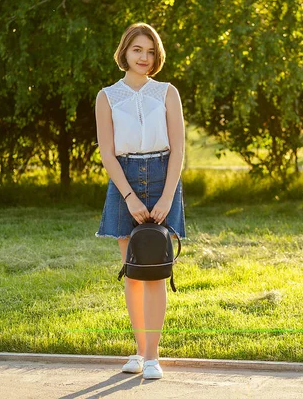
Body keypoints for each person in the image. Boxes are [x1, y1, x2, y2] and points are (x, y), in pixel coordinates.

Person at [94, 22, 186, 380]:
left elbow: (179, 148)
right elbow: (106, 152)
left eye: (150, 51)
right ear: (125, 52)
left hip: (164, 176)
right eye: (137, 50)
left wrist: (166, 196)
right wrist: (130, 196)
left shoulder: (167, 93)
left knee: (155, 273)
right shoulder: (107, 96)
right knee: (134, 273)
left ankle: (152, 356)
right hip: (124, 181)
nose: (144, 57)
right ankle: (139, 350)